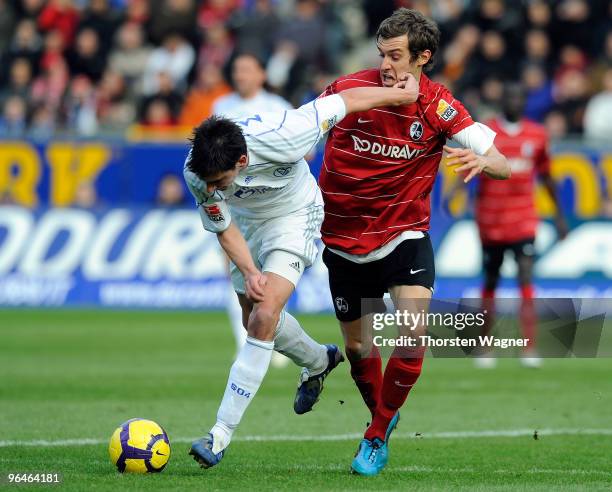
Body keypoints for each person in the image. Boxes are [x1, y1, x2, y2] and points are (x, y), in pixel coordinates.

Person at [184, 78, 422, 469]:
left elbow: (346, 100)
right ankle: (316, 360)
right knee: (252, 322)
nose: (212, 188)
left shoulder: (286, 133)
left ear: (241, 162)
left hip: (295, 215)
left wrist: (399, 95)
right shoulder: (198, 172)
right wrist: (249, 269)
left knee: (264, 315)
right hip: (248, 227)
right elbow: (224, 227)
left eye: (219, 182)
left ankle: (220, 434)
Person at [318, 8, 510, 476]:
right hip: (343, 240)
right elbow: (302, 133)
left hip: (404, 234)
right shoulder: (348, 91)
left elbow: (503, 160)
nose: (386, 65)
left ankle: (376, 434)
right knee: (360, 350)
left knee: (412, 331)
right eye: (382, 54)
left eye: (397, 56)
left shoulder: (439, 106)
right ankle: (383, 413)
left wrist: (486, 164)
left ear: (423, 57)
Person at [448, 82, 568, 369]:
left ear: (525, 102)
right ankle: (484, 346)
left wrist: (559, 214)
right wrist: (455, 193)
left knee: (526, 277)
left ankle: (529, 347)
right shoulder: (486, 133)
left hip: (524, 219)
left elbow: (547, 175)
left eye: (519, 97)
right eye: (510, 96)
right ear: (502, 100)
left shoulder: (537, 135)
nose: (514, 102)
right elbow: (468, 162)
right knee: (491, 280)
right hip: (490, 220)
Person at [212, 52, 293, 367]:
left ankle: (270, 337)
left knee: (273, 273)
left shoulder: (279, 108)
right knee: (236, 274)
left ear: (262, 73)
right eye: (236, 69)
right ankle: (246, 342)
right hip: (234, 205)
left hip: (273, 205)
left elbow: (302, 153)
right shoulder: (221, 107)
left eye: (247, 69)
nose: (241, 75)